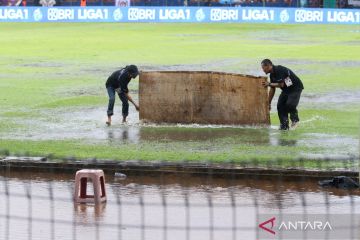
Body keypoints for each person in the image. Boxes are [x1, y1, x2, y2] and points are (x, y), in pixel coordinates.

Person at [261, 59, 304, 130]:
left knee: (290, 104)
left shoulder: (279, 70)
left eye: (263, 68)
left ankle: (295, 121)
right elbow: (272, 89)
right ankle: (284, 125)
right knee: (280, 106)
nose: (263, 70)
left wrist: (269, 84)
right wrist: (269, 103)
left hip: (295, 88)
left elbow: (281, 84)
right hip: (286, 90)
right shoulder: (272, 75)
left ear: (268, 66)